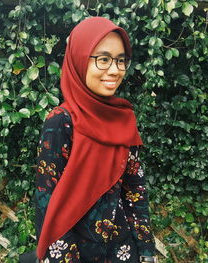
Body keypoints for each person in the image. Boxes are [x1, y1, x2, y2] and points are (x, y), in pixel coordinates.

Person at [34, 17, 157, 263]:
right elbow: (47, 201)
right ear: (79, 59)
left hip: (122, 252)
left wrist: (145, 251)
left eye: (121, 60)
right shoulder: (61, 122)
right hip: (73, 253)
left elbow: (134, 191)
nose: (115, 70)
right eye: (103, 59)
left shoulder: (123, 119)